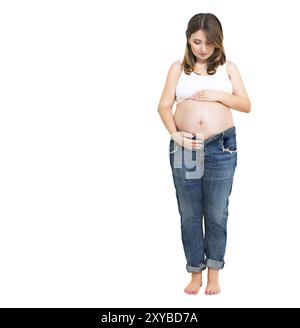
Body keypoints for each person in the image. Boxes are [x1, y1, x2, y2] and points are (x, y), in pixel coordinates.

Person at [157, 13, 251, 296]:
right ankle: (194, 272)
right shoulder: (177, 68)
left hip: (221, 146)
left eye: (209, 43)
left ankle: (214, 273)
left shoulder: (228, 68)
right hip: (186, 147)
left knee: (216, 212)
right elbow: (163, 106)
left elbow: (246, 104)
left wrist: (216, 95)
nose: (202, 48)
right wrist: (174, 133)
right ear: (188, 39)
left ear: (218, 42)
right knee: (189, 213)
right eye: (197, 42)